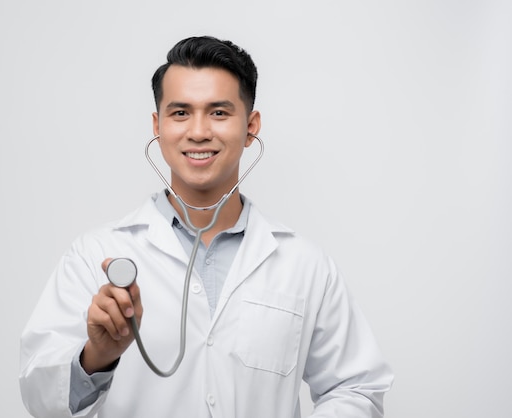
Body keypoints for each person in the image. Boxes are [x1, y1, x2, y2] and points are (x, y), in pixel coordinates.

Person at [19, 35, 393, 418]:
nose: (198, 131)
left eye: (218, 112)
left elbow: (356, 388)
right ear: (158, 125)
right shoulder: (93, 255)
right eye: (180, 113)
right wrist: (96, 357)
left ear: (251, 126)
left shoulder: (305, 265)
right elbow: (39, 398)